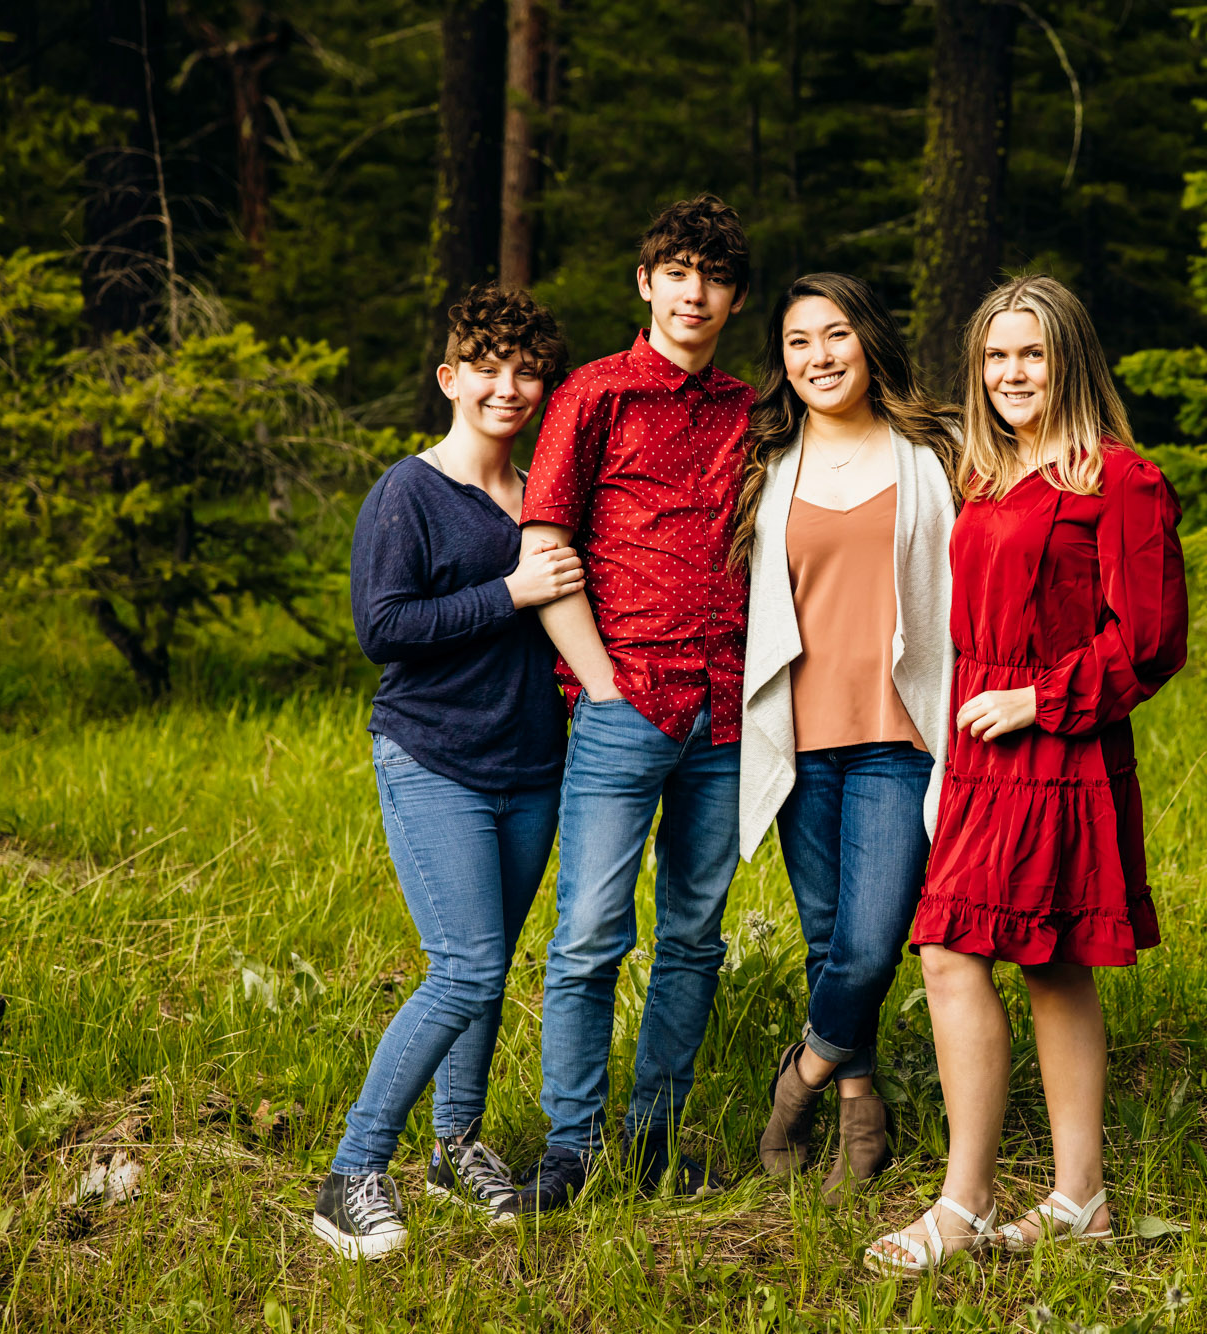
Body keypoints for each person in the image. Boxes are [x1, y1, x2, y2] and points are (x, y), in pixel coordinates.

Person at [863, 275, 1188, 1273]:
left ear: (1069, 361)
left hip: (1055, 744)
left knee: (980, 953)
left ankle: (982, 1202)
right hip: (977, 742)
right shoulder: (983, 478)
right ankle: (1068, 1196)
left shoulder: (1116, 480)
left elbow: (1151, 637)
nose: (1010, 373)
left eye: (1030, 354)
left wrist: (1041, 699)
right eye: (995, 356)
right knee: (1014, 954)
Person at [499, 196, 755, 1217]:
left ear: (734, 298)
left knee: (694, 932)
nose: (695, 291)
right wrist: (601, 684)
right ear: (645, 283)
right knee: (589, 933)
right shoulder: (591, 396)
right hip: (624, 701)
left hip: (729, 710)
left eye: (715, 276)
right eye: (677, 270)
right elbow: (543, 546)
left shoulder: (751, 408)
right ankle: (571, 1146)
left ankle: (651, 1140)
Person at [314, 284, 581, 1260]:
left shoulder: (544, 495)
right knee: (464, 966)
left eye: (526, 370)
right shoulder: (409, 491)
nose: (508, 386)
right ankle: (352, 1169)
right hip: (434, 756)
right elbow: (382, 630)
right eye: (488, 367)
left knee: (489, 967)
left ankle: (454, 1145)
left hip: (532, 762)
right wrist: (507, 591)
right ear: (449, 378)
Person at [731, 273, 961, 1203]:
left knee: (869, 948)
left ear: (867, 342)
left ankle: (800, 1082)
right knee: (829, 942)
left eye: (835, 336)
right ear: (783, 361)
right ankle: (863, 1112)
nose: (819, 357)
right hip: (801, 738)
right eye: (798, 342)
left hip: (896, 737)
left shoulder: (930, 454)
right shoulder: (764, 461)